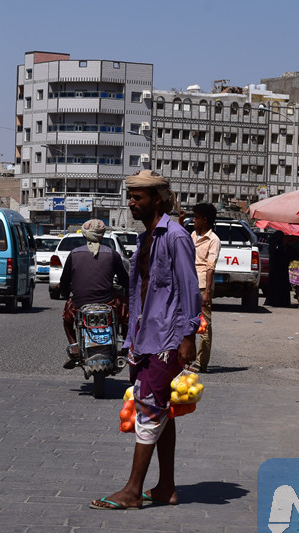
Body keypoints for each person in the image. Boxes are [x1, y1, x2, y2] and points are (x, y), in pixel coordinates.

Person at [90, 170, 200, 510]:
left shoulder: (175, 236)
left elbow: (189, 287)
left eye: (138, 197)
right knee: (162, 409)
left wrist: (189, 335)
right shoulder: (145, 238)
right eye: (130, 196)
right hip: (144, 337)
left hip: (167, 338)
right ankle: (166, 487)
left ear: (157, 199)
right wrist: (132, 339)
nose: (131, 203)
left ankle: (133, 490)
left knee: (149, 409)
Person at [59, 219, 129, 369]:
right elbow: (125, 280)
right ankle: (125, 347)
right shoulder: (113, 254)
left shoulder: (74, 254)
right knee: (126, 315)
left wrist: (64, 292)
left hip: (79, 305)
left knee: (67, 320)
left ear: (84, 235)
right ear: (101, 235)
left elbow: (64, 281)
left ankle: (74, 347)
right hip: (108, 303)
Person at [189, 203, 220, 373]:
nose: (194, 220)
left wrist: (207, 292)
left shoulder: (213, 240)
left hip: (202, 285)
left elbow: (210, 267)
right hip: (190, 283)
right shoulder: (194, 235)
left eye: (197, 218)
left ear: (205, 220)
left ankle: (201, 363)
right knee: (187, 321)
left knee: (204, 325)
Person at [265, 230, 292, 307]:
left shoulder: (276, 245)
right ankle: (277, 301)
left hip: (277, 269)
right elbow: (278, 255)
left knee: (276, 286)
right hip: (278, 269)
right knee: (277, 286)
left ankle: (276, 301)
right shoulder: (275, 245)